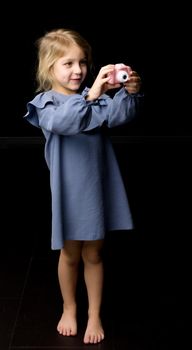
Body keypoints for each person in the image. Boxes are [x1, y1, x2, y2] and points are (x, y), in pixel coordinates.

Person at [23, 28, 143, 344]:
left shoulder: (92, 99)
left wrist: (128, 92)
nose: (78, 70)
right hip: (68, 194)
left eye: (83, 62)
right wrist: (91, 96)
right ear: (49, 68)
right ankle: (70, 306)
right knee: (70, 253)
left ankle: (94, 314)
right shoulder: (46, 104)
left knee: (94, 254)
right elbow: (67, 121)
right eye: (68, 64)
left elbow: (117, 116)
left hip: (96, 191)